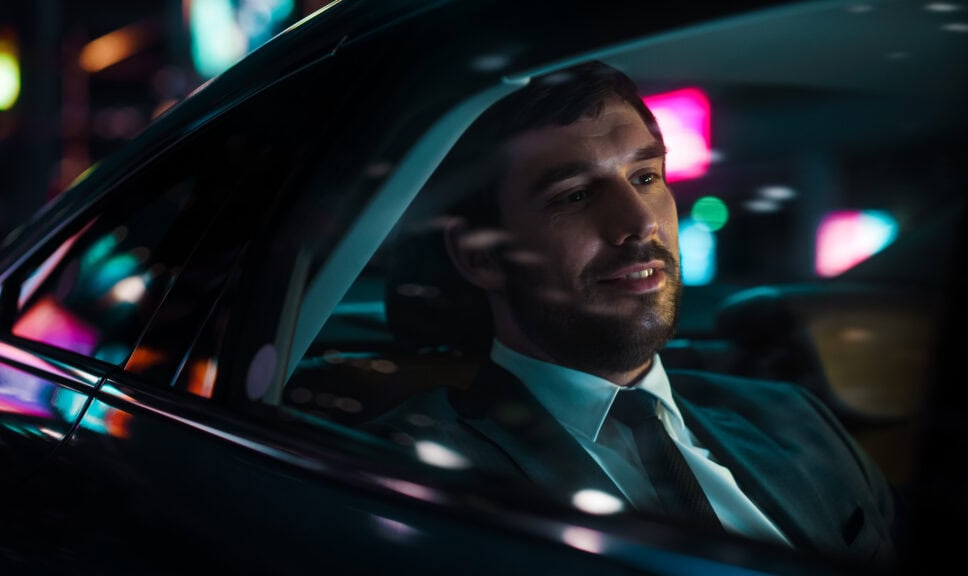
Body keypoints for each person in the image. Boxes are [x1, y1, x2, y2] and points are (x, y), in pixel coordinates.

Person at [371, 61, 898, 567]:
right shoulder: (411, 469)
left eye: (646, 178)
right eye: (575, 195)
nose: (641, 223)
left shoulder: (795, 418)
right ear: (481, 255)